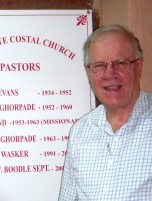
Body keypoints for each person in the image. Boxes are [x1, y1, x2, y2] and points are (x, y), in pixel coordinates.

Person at [59, 24, 152, 200]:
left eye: (120, 63)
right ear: (88, 72)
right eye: (99, 65)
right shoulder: (80, 131)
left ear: (138, 66)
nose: (110, 74)